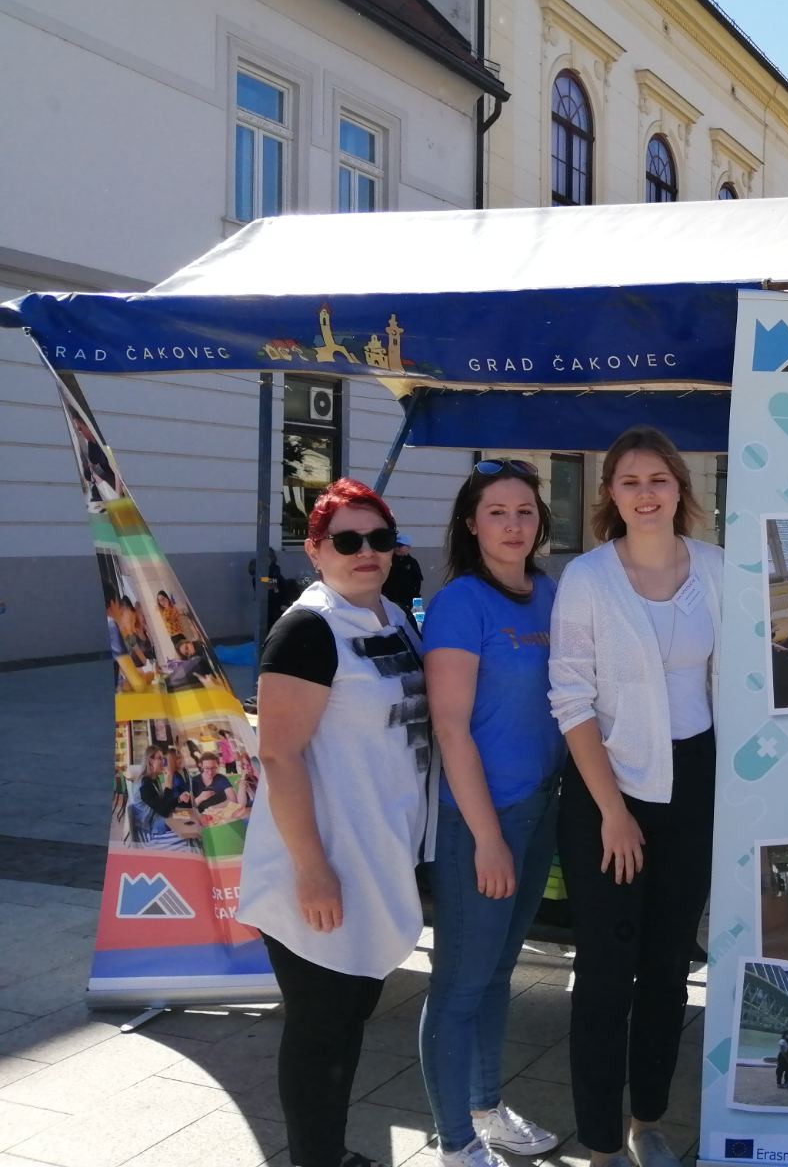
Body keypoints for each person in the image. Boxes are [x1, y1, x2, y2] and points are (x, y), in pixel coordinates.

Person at [237, 478, 436, 1167]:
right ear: (316, 551)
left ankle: (325, 1153)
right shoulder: (307, 629)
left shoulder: (391, 618)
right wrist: (311, 868)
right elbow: (279, 753)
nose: (366, 552)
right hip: (319, 865)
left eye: (379, 539)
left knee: (348, 1020)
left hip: (376, 856)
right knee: (321, 1030)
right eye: (347, 541)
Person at [549, 426, 721, 1167]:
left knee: (669, 968)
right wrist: (614, 812)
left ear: (681, 487)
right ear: (609, 495)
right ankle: (598, 1141)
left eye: (658, 479)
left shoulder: (718, 570)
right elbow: (572, 700)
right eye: (629, 481)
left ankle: (647, 1118)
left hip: (697, 784)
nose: (645, 493)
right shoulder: (587, 578)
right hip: (607, 795)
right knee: (605, 974)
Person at [419, 461, 564, 1166]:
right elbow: (451, 729)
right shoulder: (461, 604)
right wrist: (485, 839)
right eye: (497, 512)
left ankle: (485, 1104)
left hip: (540, 810)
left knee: (499, 972)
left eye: (525, 512)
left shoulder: (550, 595)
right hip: (483, 820)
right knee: (459, 985)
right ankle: (453, 1141)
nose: (513, 524)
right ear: (472, 523)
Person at [384, 533, 426, 609]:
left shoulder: (412, 562)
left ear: (408, 547)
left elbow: (418, 582)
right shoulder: (387, 561)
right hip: (390, 602)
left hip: (408, 602)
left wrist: (415, 601)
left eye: (400, 546)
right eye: (396, 545)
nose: (397, 548)